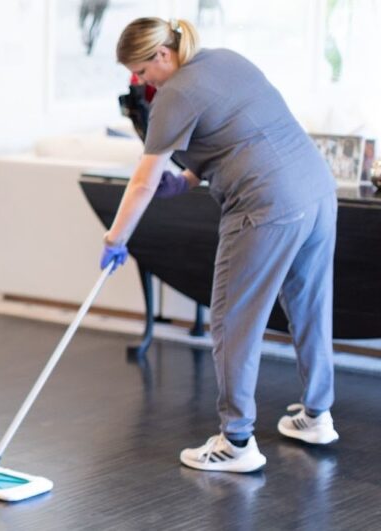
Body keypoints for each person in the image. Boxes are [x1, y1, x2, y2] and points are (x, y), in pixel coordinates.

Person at [105, 18, 339, 473]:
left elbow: (141, 181)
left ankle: (236, 443)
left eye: (139, 71)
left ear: (160, 56)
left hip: (264, 205)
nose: (139, 82)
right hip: (316, 191)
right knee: (310, 306)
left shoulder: (173, 94)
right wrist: (191, 177)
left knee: (232, 321)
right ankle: (317, 416)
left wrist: (116, 239)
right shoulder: (226, 60)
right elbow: (243, 133)